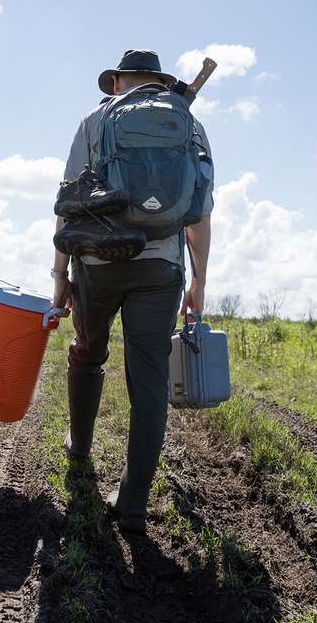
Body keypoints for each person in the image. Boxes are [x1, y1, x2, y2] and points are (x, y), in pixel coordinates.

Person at [50, 49, 214, 534]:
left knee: (88, 351)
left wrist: (60, 274)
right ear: (160, 83)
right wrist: (199, 279)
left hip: (99, 261)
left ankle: (79, 450)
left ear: (118, 82)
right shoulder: (189, 124)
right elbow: (200, 210)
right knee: (148, 381)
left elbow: (67, 200)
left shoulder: (95, 121)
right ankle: (134, 502)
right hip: (160, 266)